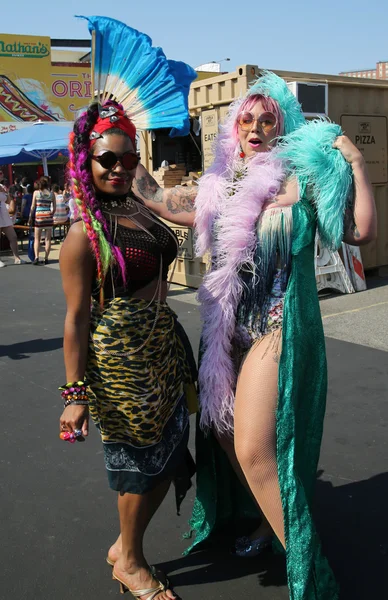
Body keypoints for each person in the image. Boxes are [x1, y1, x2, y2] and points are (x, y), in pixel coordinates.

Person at [137, 71, 377, 599]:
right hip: (227, 333)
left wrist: (356, 164)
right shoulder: (217, 186)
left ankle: (309, 571)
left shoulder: (304, 179)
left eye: (267, 119)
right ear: (234, 127)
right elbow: (157, 199)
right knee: (223, 434)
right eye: (246, 117)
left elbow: (360, 233)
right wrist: (115, 140)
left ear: (280, 126)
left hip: (276, 326)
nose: (256, 126)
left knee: (252, 449)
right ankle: (267, 522)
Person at [58, 101, 197, 600]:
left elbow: (191, 213)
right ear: (85, 164)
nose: (118, 168)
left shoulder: (139, 207)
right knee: (137, 464)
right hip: (122, 361)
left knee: (172, 450)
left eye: (127, 158)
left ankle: (126, 545)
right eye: (107, 160)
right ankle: (132, 563)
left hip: (163, 347)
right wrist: (75, 394)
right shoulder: (83, 234)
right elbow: (75, 319)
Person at [0, 173, 26, 267]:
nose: (2, 176)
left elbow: (7, 200)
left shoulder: (2, 187)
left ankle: (17, 258)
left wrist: (6, 193)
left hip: (4, 214)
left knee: (13, 237)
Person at [28, 176, 56, 265]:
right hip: (48, 217)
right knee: (48, 239)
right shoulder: (52, 194)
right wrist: (50, 214)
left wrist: (30, 217)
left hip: (39, 217)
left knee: (37, 239)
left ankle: (36, 257)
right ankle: (46, 258)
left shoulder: (36, 193)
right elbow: (54, 208)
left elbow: (32, 206)